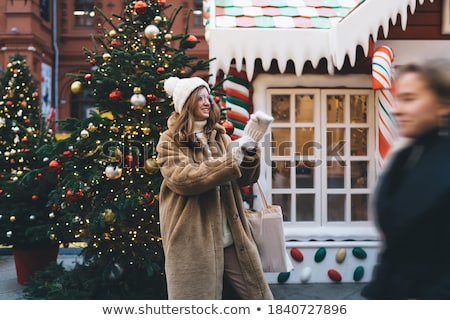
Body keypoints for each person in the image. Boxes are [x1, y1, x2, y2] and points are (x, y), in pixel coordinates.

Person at [156, 76, 274, 300]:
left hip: (232, 237)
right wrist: (229, 161)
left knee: (258, 298)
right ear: (187, 102)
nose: (207, 101)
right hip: (194, 241)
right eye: (200, 97)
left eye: (208, 96)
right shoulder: (169, 140)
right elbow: (182, 179)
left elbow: (244, 178)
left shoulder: (219, 137)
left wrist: (249, 149)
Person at [362, 58, 450, 299]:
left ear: (443, 104)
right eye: (398, 99)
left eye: (409, 99)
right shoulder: (408, 155)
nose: (396, 109)